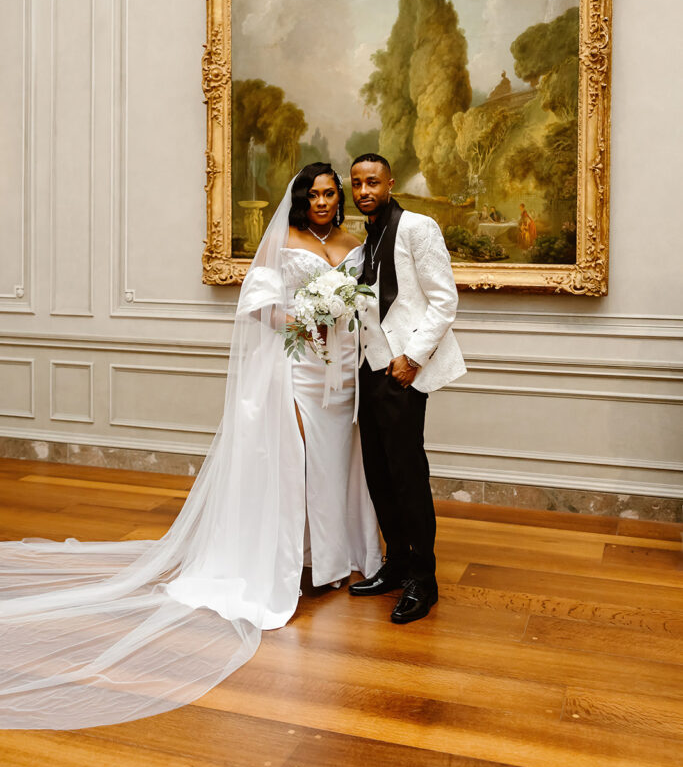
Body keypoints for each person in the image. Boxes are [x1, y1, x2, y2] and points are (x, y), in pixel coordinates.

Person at [0, 164, 380, 730]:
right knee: (297, 464)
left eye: (330, 193)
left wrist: (345, 315)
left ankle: (337, 559)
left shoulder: (355, 243)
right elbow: (257, 305)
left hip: (342, 374)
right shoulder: (283, 240)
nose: (323, 201)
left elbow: (368, 303)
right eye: (313, 193)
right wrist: (309, 313)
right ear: (300, 197)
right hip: (297, 370)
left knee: (336, 463)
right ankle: (300, 562)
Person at [348, 154, 466, 624]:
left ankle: (424, 578)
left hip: (403, 370)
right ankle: (395, 562)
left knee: (407, 475)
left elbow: (444, 299)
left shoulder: (419, 227)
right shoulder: (365, 243)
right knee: (377, 471)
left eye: (372, 182)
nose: (364, 191)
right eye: (356, 184)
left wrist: (412, 358)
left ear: (390, 183)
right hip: (367, 368)